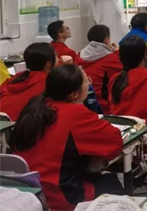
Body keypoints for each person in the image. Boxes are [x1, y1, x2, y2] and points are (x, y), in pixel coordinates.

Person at [11, 64, 123, 211]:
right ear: (74, 94)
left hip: (30, 192)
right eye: (86, 81)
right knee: (111, 182)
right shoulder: (75, 114)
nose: (89, 84)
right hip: (61, 197)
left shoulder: (34, 107)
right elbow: (114, 143)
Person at [0, 43, 56, 120]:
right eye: (56, 56)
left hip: (4, 122)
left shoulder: (17, 77)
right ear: (49, 63)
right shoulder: (50, 82)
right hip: (22, 125)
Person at [80, 24, 123, 112]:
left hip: (84, 103)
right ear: (106, 40)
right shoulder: (111, 59)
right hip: (103, 106)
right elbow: (126, 70)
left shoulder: (80, 55)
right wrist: (117, 52)